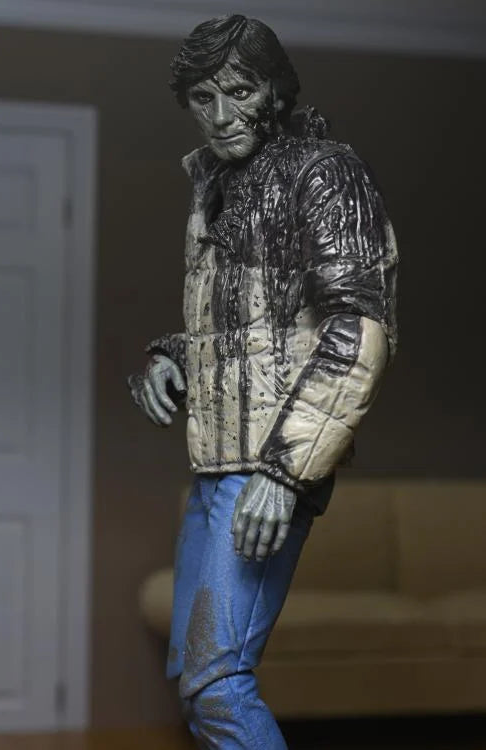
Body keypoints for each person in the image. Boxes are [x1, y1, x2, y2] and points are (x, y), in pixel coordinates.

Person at [128, 14, 397, 749]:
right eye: (203, 98)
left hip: (267, 463)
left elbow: (358, 329)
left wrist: (284, 471)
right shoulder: (217, 182)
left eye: (239, 92)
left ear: (274, 91)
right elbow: (252, 326)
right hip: (217, 461)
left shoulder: (324, 171)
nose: (220, 116)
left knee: (217, 683)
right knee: (195, 673)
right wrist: (173, 357)